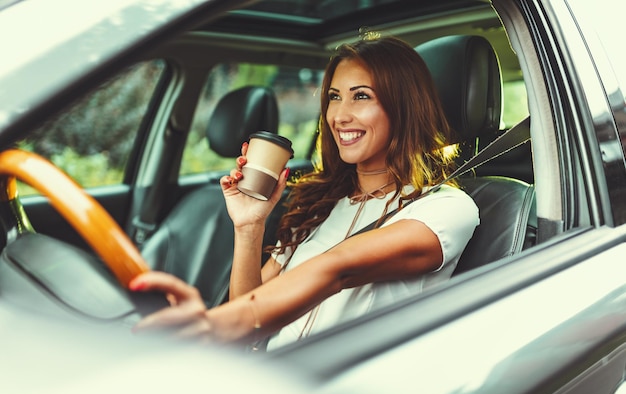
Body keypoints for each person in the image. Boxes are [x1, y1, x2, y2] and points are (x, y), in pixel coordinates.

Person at [129, 34, 479, 350]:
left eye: (361, 96)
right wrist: (249, 226)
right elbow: (250, 309)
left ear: (403, 106)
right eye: (334, 97)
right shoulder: (319, 205)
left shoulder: (447, 209)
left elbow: (337, 269)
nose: (340, 115)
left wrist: (210, 324)